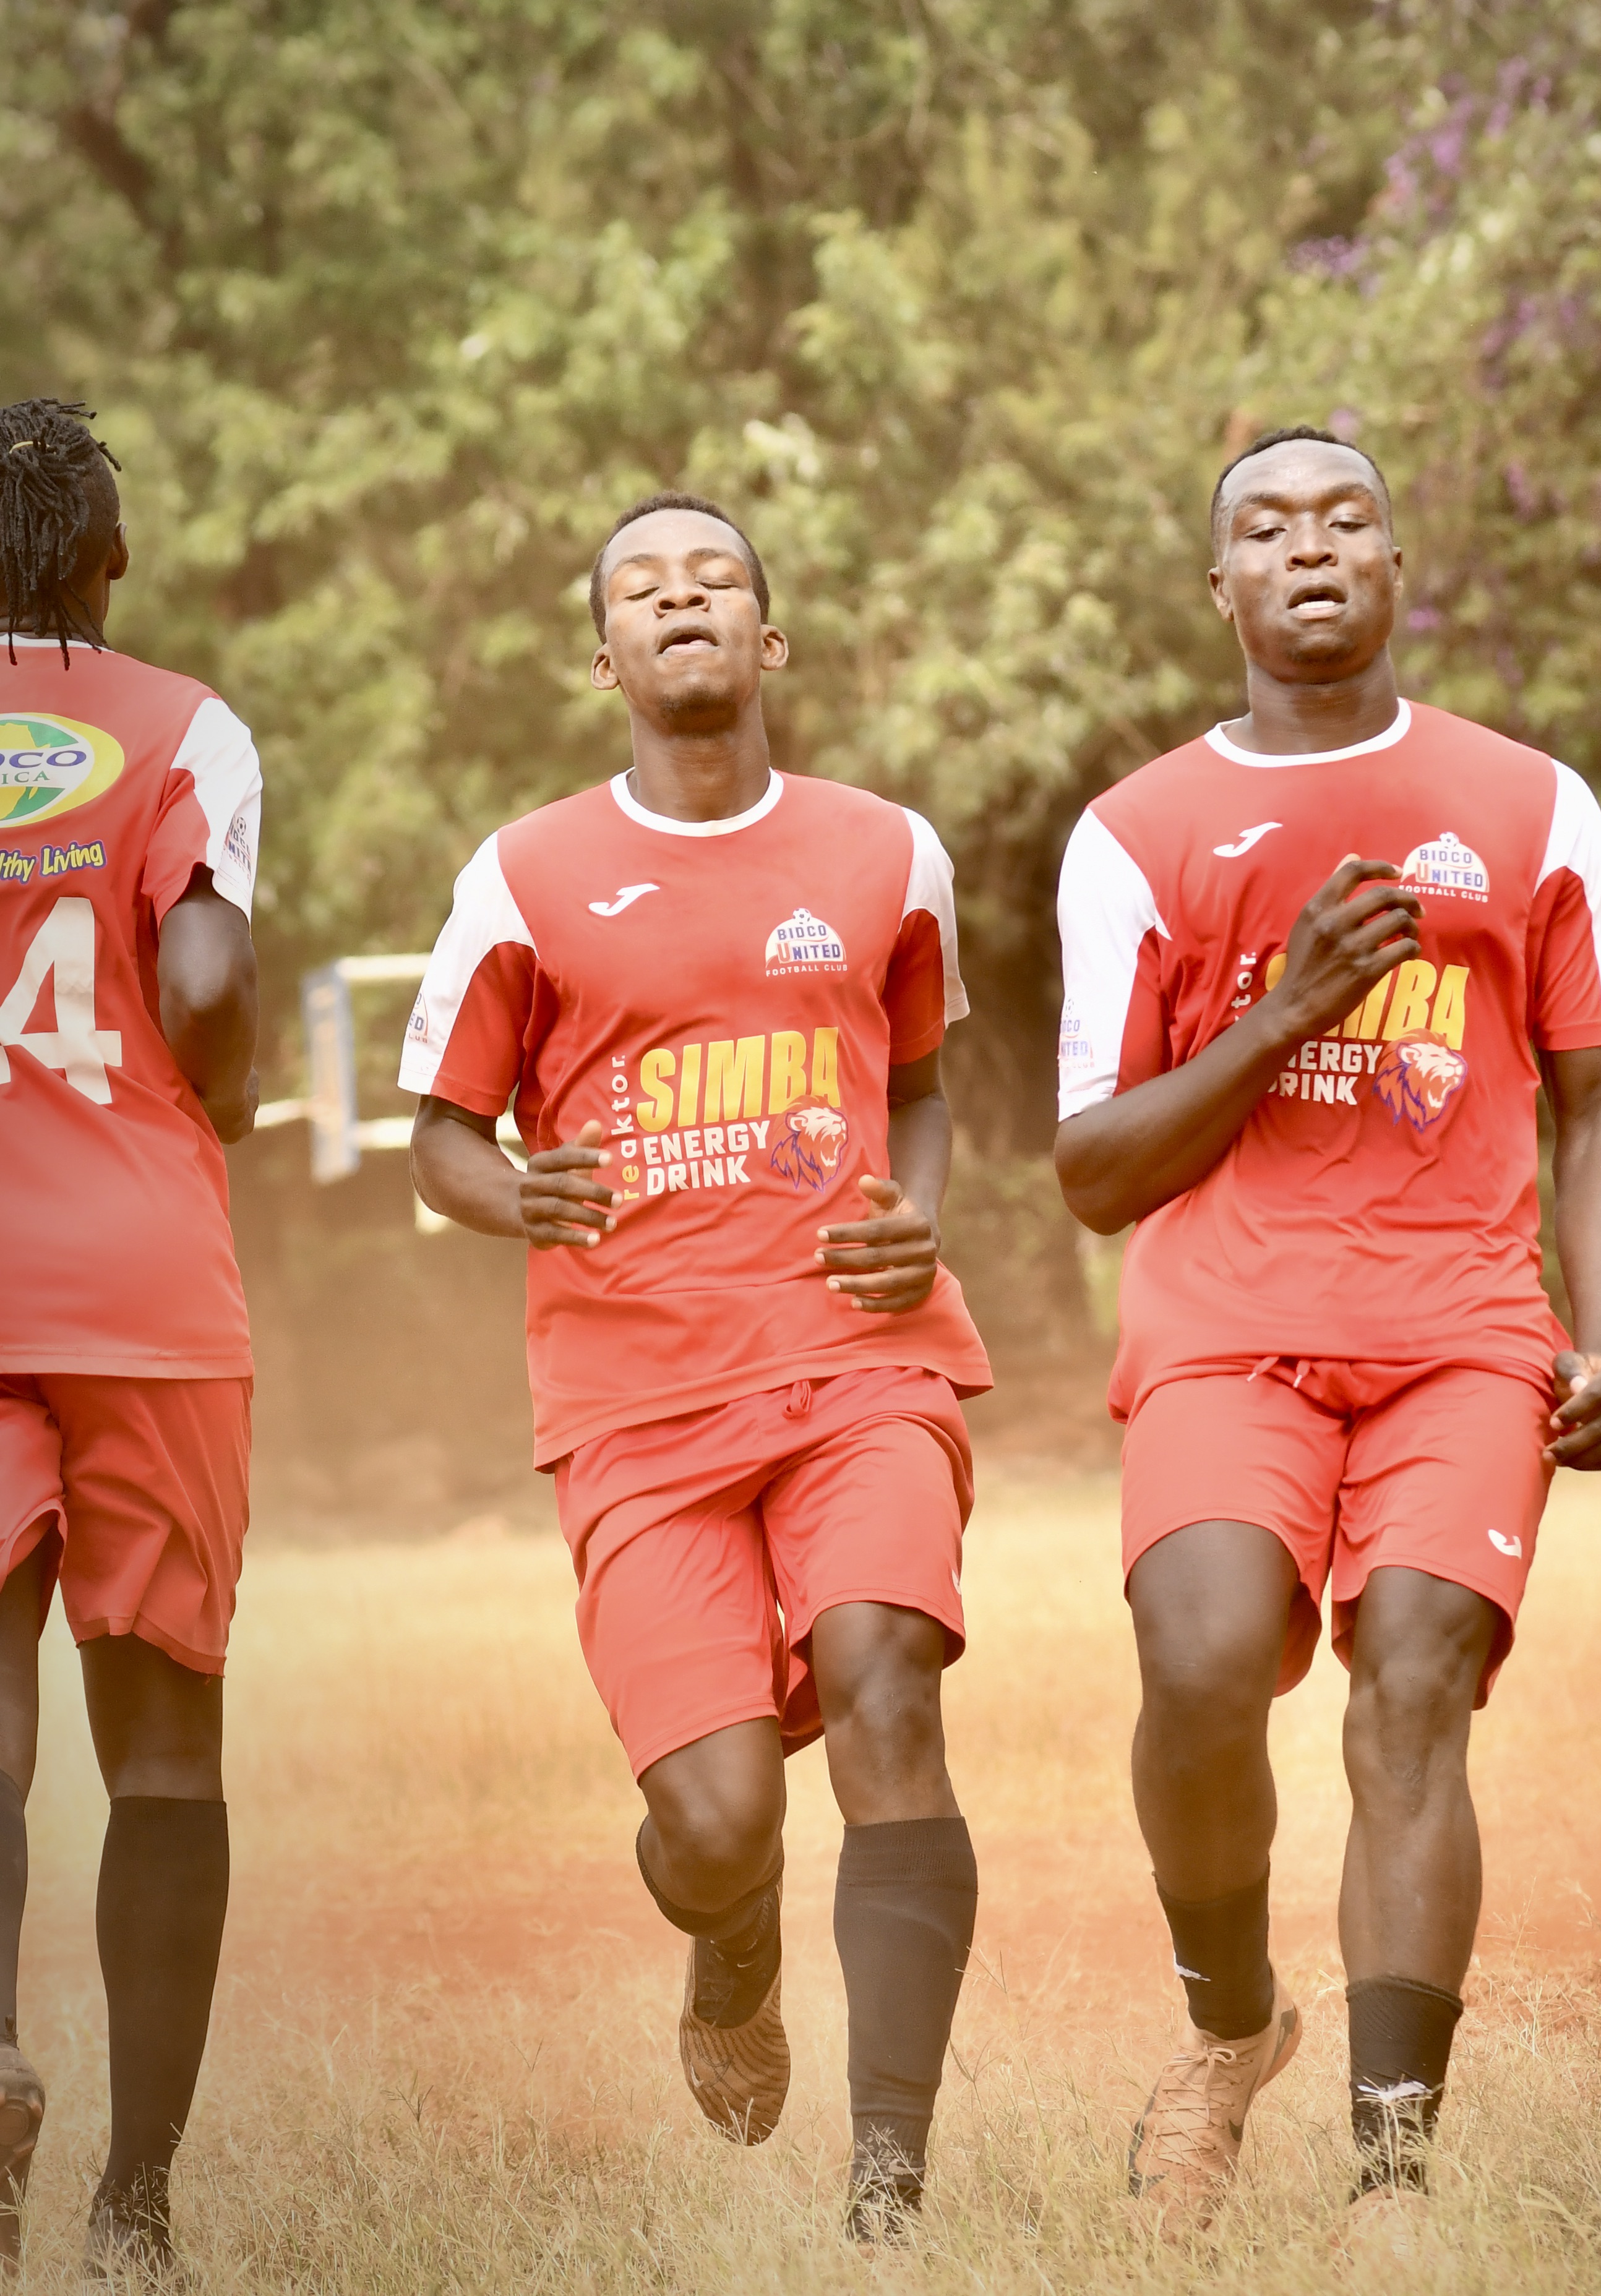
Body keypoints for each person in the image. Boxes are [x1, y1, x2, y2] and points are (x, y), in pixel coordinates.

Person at [1053, 427, 1601, 2233]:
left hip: (1465, 1327)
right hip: (1225, 1333)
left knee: (1411, 1689)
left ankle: (1395, 2175)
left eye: (1345, 518)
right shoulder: (1135, 833)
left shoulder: (1531, 804)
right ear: (1218, 587)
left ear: (1399, 565)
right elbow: (1095, 1166)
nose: (1308, 547)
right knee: (1206, 1660)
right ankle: (1228, 2025)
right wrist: (1286, 1009)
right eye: (1264, 526)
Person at [402, 494, 992, 2240]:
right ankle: (729, 1942)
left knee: (891, 1679)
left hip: (854, 1360)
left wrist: (919, 1216)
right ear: (605, 658)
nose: (683, 602)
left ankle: (891, 2192)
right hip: (635, 1401)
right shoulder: (524, 873)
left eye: (716, 580)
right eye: (644, 591)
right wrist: (524, 1193)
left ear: (770, 637)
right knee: (721, 1815)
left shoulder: (889, 851)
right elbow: (437, 1137)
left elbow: (932, 1086)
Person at [0, 398, 264, 2274]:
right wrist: (219, 1100)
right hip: (147, 1290)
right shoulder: (184, 724)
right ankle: (135, 2201)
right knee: (163, 1747)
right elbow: (204, 976)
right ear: (108, 555)